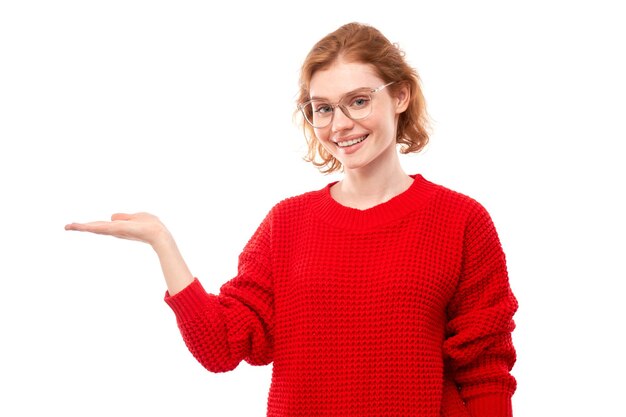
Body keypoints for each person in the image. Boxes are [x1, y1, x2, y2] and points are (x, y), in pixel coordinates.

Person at [65, 22, 518, 417]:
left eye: (358, 101)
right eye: (322, 108)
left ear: (400, 95)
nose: (339, 124)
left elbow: (485, 369)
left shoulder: (461, 220)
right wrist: (162, 241)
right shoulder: (288, 224)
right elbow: (221, 346)